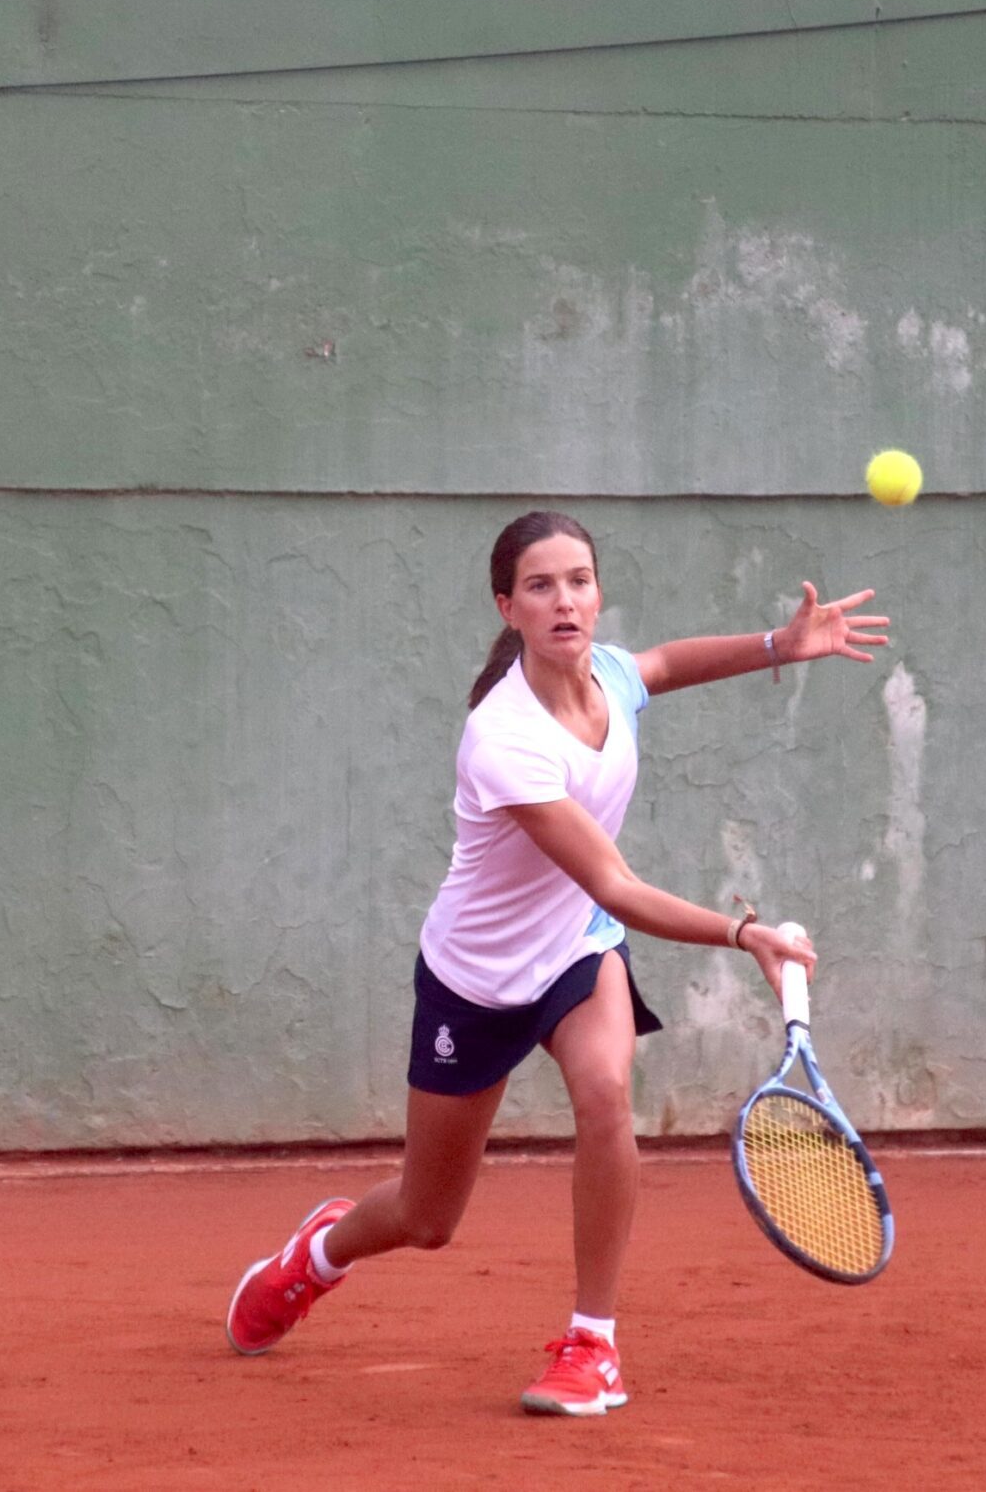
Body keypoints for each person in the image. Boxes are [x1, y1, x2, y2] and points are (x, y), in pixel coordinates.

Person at [225, 509, 889, 1415]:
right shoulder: (505, 739)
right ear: (508, 605)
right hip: (478, 979)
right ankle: (319, 1254)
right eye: (540, 585)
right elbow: (613, 884)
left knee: (605, 1093)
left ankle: (593, 1343)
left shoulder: (606, 674)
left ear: (597, 592)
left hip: (576, 954)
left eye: (579, 579)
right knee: (428, 1218)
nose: (565, 599)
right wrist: (744, 934)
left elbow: (661, 665)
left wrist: (780, 641)